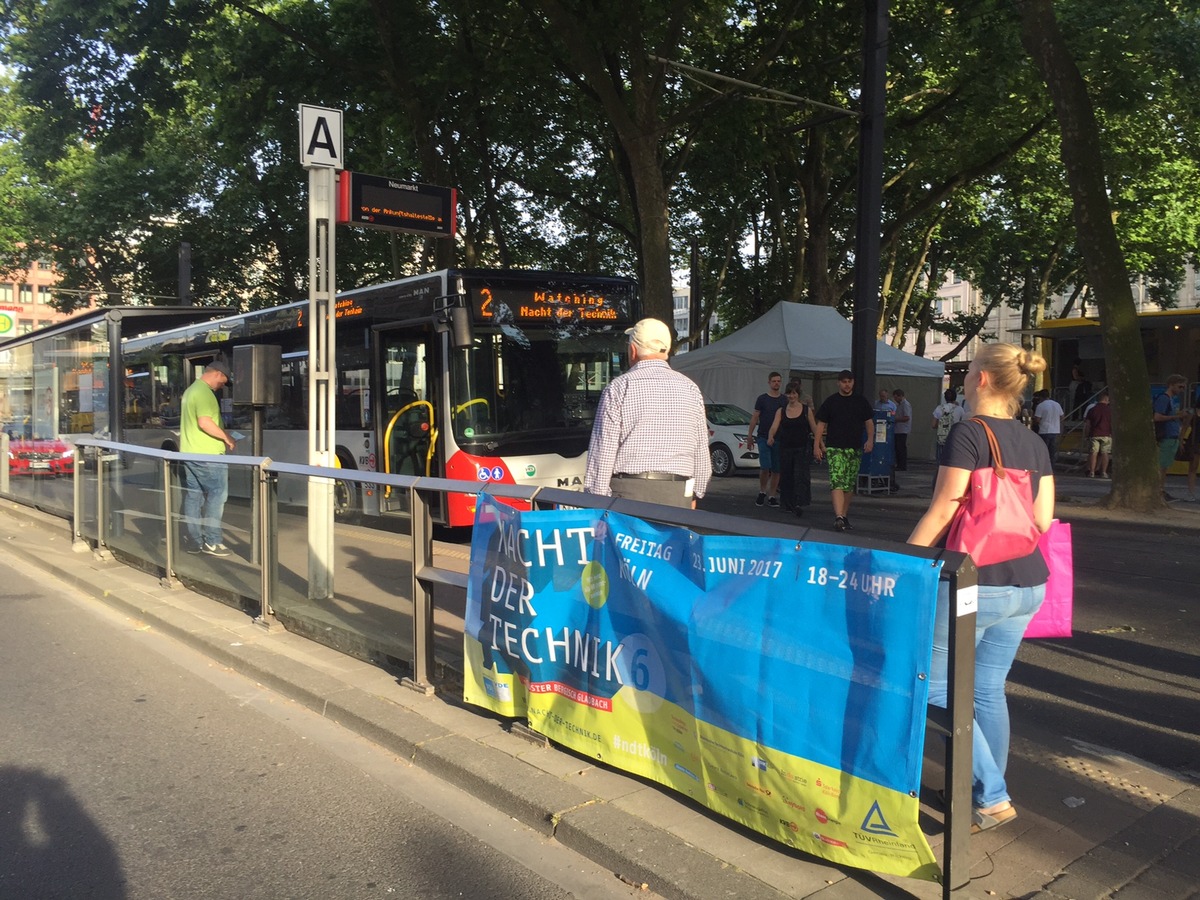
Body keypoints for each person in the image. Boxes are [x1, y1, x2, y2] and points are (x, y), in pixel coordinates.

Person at [907, 342, 1054, 835]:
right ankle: (975, 791)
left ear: (984, 380)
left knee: (932, 684)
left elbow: (945, 507)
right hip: (1029, 583)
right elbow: (1043, 519)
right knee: (988, 688)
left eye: (968, 371)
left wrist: (905, 564)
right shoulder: (1034, 442)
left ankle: (990, 793)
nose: (965, 379)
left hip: (975, 581)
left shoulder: (969, 433)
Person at [583, 318, 711, 508]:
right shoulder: (690, 388)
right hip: (677, 493)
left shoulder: (619, 387)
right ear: (666, 350)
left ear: (633, 350)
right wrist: (694, 494)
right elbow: (701, 448)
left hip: (628, 493)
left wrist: (596, 501)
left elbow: (602, 452)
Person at [180, 359, 237, 556]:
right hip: (208, 455)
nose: (222, 386)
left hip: (189, 452)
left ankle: (194, 541)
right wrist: (226, 437)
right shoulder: (205, 393)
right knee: (217, 495)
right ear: (217, 374)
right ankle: (212, 541)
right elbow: (205, 422)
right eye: (223, 381)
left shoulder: (190, 391)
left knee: (194, 496)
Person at [814, 369, 874, 532]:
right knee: (837, 480)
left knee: (848, 484)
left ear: (853, 382)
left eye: (849, 381)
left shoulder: (860, 401)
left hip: (854, 448)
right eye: (843, 382)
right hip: (835, 448)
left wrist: (870, 439)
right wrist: (817, 444)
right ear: (838, 383)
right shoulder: (831, 401)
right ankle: (838, 516)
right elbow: (820, 424)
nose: (846, 385)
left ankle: (844, 515)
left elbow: (869, 421)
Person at [766, 380, 817, 517]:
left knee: (800, 476)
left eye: (794, 393)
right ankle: (787, 503)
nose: (791, 396)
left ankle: (799, 503)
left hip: (801, 448)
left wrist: (819, 445)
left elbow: (814, 428)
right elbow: (774, 427)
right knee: (787, 476)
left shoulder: (806, 410)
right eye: (789, 393)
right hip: (786, 448)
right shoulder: (781, 411)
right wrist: (770, 436)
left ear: (798, 395)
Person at [747, 372, 787, 508]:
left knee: (776, 468)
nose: (776, 383)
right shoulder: (762, 399)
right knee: (765, 466)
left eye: (778, 381)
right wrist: (750, 435)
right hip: (763, 436)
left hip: (779, 438)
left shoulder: (784, 400)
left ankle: (772, 495)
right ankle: (762, 491)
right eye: (774, 381)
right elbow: (755, 417)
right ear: (769, 382)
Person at [1153, 374, 1190, 500]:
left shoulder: (1171, 400)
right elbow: (1157, 417)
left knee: (1165, 465)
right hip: (1167, 435)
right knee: (1162, 466)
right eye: (1180, 386)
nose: (1181, 390)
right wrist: (1177, 417)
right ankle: (1159, 490)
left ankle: (1160, 489)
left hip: (1172, 435)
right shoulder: (1164, 398)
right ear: (1171, 384)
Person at [1082, 388, 1113, 478]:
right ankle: (1103, 472)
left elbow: (1088, 424)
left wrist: (1087, 434)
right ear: (1106, 400)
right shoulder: (1110, 410)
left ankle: (1092, 471)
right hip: (1106, 434)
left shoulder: (1092, 409)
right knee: (1105, 453)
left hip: (1094, 434)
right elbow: (1112, 423)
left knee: (1093, 453)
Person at [932, 388, 965, 464]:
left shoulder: (939, 408)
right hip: (954, 438)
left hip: (941, 437)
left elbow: (933, 425)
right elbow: (962, 424)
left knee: (941, 460)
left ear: (945, 397)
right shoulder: (960, 409)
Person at [1032, 390, 1064, 466]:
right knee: (1052, 451)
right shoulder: (1057, 404)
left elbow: (1037, 419)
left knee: (1043, 450)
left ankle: (1043, 465)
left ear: (1040, 397)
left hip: (1044, 430)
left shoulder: (1041, 405)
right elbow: (1062, 416)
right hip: (1055, 430)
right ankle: (1051, 466)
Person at [892, 388, 912, 471]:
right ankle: (899, 464)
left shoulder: (905, 405)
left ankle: (902, 465)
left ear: (900, 396)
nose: (895, 399)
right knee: (897, 447)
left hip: (902, 430)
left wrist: (896, 419)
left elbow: (907, 417)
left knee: (901, 448)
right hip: (898, 429)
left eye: (896, 397)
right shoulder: (898, 405)